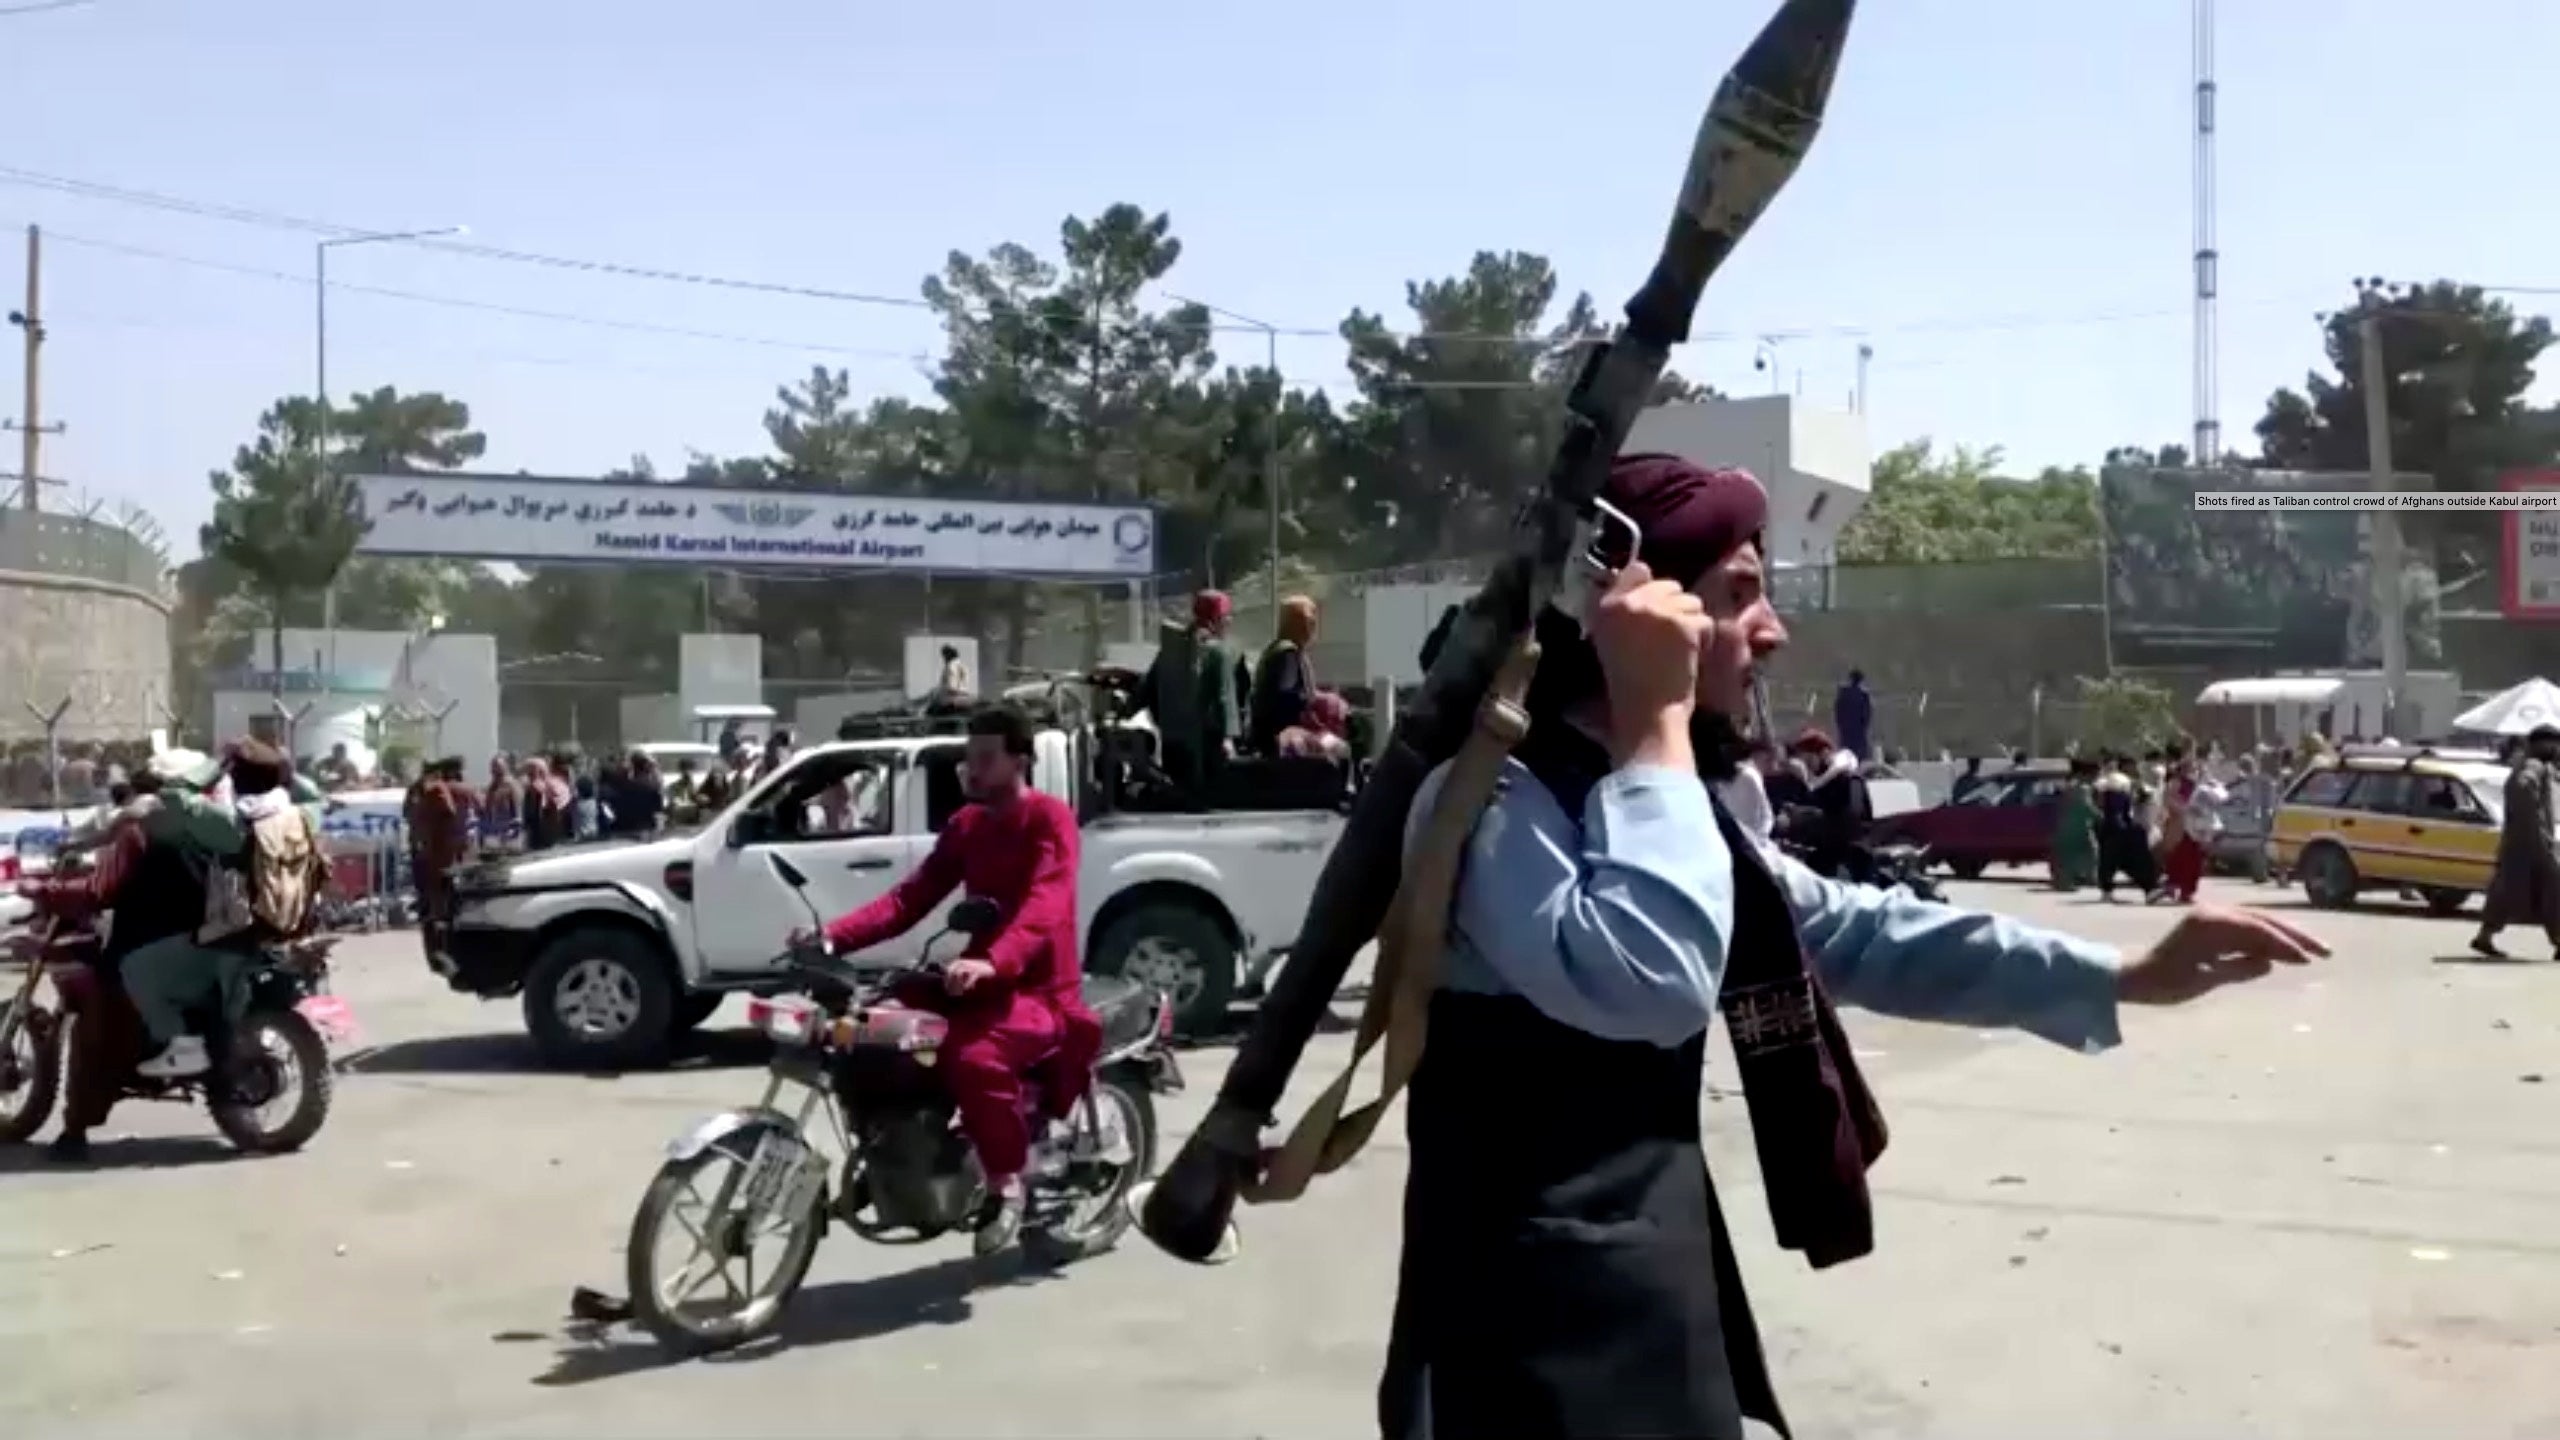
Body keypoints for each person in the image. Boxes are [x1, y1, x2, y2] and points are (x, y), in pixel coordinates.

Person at [1376, 453, 2325, 1440]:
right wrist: (1654, 714)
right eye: (1738, 594)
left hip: (1649, 1294)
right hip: (1515, 1326)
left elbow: (1854, 929)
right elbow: (1648, 979)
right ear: (1631, 605)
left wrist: (2120, 975)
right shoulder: (1493, 798)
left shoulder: (1656, 795)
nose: (1772, 631)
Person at [787, 705, 1102, 1255]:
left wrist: (995, 960)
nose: (972, 771)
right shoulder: (968, 826)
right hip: (975, 979)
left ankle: (1007, 1186)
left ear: (1020, 761)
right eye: (968, 759)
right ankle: (894, 1147)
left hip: (1039, 988)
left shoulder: (1051, 820)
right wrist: (830, 938)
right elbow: (909, 899)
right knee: (876, 1022)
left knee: (973, 1057)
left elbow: (1045, 903)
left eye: (985, 759)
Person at [104, 741, 329, 1079]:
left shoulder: (234, 824)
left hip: (236, 935)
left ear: (234, 778)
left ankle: (182, 1045)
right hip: (287, 927)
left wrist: (218, 763)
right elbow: (315, 796)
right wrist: (283, 768)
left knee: (135, 966)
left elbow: (177, 798)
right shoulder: (301, 816)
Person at [20, 764, 207, 1161]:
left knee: (91, 1027)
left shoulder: (135, 831)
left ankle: (75, 1132)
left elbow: (98, 891)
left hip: (147, 946)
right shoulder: (191, 826)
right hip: (197, 939)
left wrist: (46, 890)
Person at [2475, 725, 2560, 959]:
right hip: (2534, 842)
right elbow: (2524, 787)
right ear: (2543, 744)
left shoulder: (2534, 765)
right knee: (2553, 888)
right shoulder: (2534, 765)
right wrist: (2536, 825)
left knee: (2507, 890)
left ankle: (2485, 936)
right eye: (2555, 744)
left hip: (2520, 842)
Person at [1251, 595, 1321, 754]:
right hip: (1284, 741)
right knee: (1338, 749)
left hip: (1273, 739)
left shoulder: (1277, 649)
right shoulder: (1287, 653)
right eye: (1309, 620)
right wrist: (1317, 704)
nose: (1314, 626)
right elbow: (1285, 696)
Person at [2093, 755, 2158, 901]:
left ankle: (2147, 889)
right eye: (2133, 766)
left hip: (2114, 828)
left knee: (2112, 861)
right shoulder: (2119, 780)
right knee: (2134, 859)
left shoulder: (2121, 781)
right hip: (2117, 828)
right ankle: (2149, 889)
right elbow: (2115, 805)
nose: (2136, 769)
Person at [2050, 758, 2099, 892]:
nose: (2096, 778)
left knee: (2071, 854)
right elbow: (2086, 806)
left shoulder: (2072, 785)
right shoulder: (2081, 788)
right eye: (2094, 775)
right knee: (2089, 851)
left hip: (2070, 825)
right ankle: (2077, 879)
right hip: (2075, 827)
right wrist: (2099, 816)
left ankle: (2072, 879)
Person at [1277, 690, 1354, 763]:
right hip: (1295, 712)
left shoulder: (1337, 707)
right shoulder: (1337, 705)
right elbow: (1312, 700)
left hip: (1297, 723)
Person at [1833, 667, 1873, 763]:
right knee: (1859, 755)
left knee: (1845, 753)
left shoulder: (1843, 693)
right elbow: (1867, 714)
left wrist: (1840, 724)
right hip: (1858, 730)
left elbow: (1838, 710)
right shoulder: (1864, 695)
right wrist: (1864, 726)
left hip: (1846, 728)